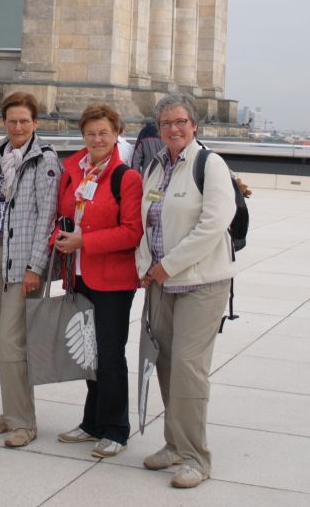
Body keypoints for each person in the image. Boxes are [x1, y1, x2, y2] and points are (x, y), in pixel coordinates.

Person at [137, 93, 236, 489]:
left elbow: (214, 224)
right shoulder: (156, 167)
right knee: (165, 364)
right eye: (166, 124)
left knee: (189, 369)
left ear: (194, 125)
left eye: (181, 122)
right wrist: (146, 267)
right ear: (158, 129)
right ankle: (174, 445)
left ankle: (196, 457)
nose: (174, 129)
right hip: (161, 283)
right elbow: (147, 222)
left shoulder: (210, 164)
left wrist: (167, 265)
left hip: (201, 283)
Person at [0, 92, 60, 448]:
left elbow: (47, 217)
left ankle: (24, 422)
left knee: (12, 340)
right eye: (12, 121)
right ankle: (12, 410)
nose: (17, 127)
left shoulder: (45, 160)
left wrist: (37, 265)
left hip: (21, 260)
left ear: (35, 124)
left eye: (24, 121)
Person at [54, 103, 143, 458]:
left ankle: (116, 429)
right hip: (79, 275)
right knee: (89, 355)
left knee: (109, 355)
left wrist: (84, 242)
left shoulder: (126, 178)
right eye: (90, 133)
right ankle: (92, 422)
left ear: (116, 135)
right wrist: (60, 239)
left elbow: (132, 232)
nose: (97, 139)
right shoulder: (75, 170)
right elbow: (62, 214)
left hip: (112, 281)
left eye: (104, 132)